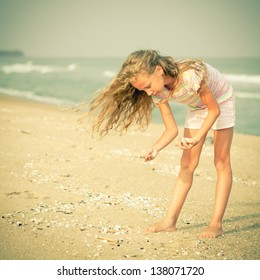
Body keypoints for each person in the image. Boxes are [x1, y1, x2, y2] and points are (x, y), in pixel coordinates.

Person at [80, 49, 235, 238]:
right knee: (187, 164)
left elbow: (213, 110)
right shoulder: (158, 92)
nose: (148, 92)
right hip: (197, 107)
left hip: (220, 101)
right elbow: (171, 129)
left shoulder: (190, 75)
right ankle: (170, 222)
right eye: (142, 90)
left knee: (221, 162)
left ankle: (216, 224)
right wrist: (155, 148)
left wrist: (196, 138)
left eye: (147, 86)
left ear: (159, 70)